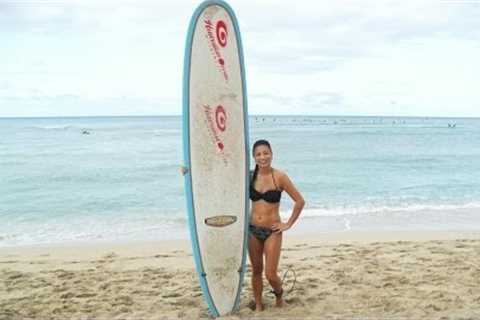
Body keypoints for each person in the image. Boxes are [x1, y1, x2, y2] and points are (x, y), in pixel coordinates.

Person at [248, 139, 305, 311]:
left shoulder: (279, 177)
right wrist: (188, 171)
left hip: (273, 231)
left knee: (270, 274)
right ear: (253, 157)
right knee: (256, 270)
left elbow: (300, 201)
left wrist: (288, 224)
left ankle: (279, 295)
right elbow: (223, 179)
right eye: (258, 154)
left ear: (272, 154)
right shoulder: (250, 176)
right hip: (252, 231)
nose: (262, 157)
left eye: (266, 153)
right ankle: (258, 305)